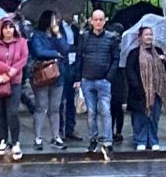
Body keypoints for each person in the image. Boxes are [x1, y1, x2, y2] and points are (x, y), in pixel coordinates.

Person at [74, 9, 120, 155]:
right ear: (91, 21)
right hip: (88, 79)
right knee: (91, 112)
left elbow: (115, 58)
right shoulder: (85, 37)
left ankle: (107, 141)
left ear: (105, 21)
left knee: (105, 111)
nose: (98, 22)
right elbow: (79, 57)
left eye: (101, 19)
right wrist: (77, 78)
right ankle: (93, 139)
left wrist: (109, 77)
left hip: (104, 80)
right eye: (96, 19)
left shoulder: (111, 38)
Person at [0, 17, 29, 160]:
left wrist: (12, 72)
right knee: (0, 113)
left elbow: (23, 59)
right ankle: (3, 140)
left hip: (15, 81)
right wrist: (7, 70)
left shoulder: (21, 42)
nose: (8, 30)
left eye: (11, 27)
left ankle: (15, 142)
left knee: (13, 112)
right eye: (5, 27)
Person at [29, 10, 69, 151]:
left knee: (55, 107)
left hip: (58, 74)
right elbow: (38, 51)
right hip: (43, 74)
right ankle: (38, 137)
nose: (56, 22)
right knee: (41, 106)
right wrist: (55, 54)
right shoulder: (37, 35)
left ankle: (56, 136)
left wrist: (58, 34)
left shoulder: (57, 34)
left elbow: (65, 49)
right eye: (53, 19)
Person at [126, 26, 166, 151]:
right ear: (140, 37)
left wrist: (164, 61)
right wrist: (137, 86)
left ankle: (153, 140)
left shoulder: (158, 51)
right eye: (146, 34)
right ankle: (140, 140)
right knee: (140, 117)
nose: (149, 37)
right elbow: (130, 70)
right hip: (140, 91)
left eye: (151, 34)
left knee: (154, 117)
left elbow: (165, 68)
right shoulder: (134, 53)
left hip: (156, 90)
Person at [58, 14, 81, 142]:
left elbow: (78, 47)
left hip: (73, 65)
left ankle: (70, 129)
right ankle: (60, 130)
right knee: (60, 101)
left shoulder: (76, 30)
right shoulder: (57, 29)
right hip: (62, 65)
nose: (72, 15)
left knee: (71, 101)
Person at [106, 21, 127, 143]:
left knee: (117, 106)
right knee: (110, 106)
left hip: (119, 74)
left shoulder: (124, 44)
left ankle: (118, 131)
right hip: (111, 73)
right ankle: (111, 130)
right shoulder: (108, 43)